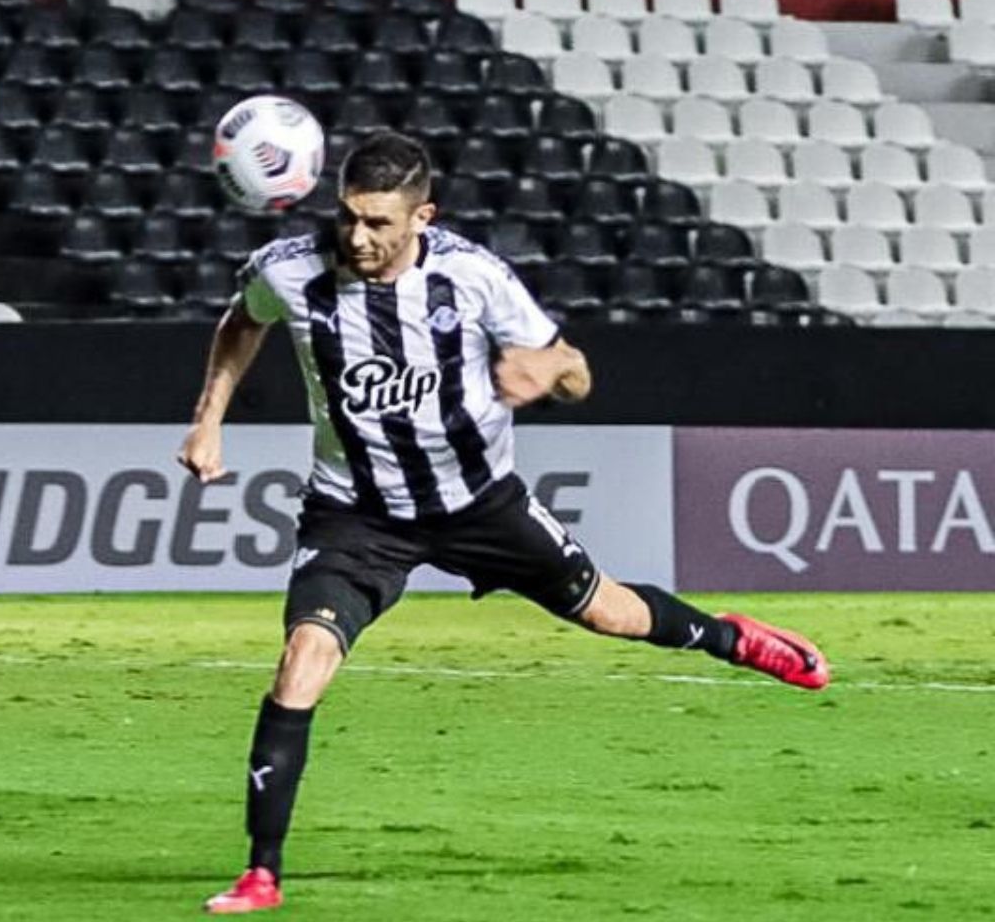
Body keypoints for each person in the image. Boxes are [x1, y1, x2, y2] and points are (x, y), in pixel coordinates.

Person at [179, 131, 830, 915]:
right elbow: (239, 325)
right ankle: (263, 873)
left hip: (481, 503)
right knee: (302, 660)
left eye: (381, 223)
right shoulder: (290, 271)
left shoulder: (475, 276)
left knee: (612, 613)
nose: (360, 238)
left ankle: (734, 639)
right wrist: (208, 419)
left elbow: (576, 370)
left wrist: (547, 372)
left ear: (424, 215)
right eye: (350, 217)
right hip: (356, 513)